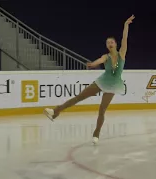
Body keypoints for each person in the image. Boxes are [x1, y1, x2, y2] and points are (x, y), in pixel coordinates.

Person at [44, 15, 135, 144]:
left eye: (111, 42)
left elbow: (125, 38)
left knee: (102, 110)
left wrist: (126, 25)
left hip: (113, 85)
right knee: (78, 97)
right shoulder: (106, 56)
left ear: (115, 44)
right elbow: (100, 60)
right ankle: (55, 111)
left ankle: (96, 133)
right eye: (107, 42)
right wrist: (93, 64)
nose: (109, 43)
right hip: (102, 81)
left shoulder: (122, 54)